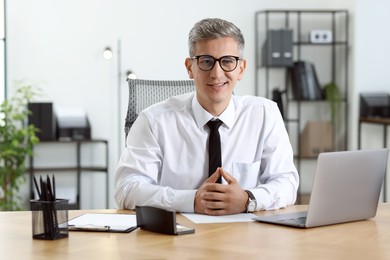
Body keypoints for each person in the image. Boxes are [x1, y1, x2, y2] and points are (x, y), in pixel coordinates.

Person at [114, 18, 299, 216]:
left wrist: (248, 199)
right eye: (206, 62)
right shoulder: (154, 121)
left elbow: (286, 182)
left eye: (227, 61)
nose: (217, 73)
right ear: (189, 68)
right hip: (176, 238)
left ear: (241, 69)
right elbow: (126, 189)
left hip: (245, 237)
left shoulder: (265, 114)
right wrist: (191, 201)